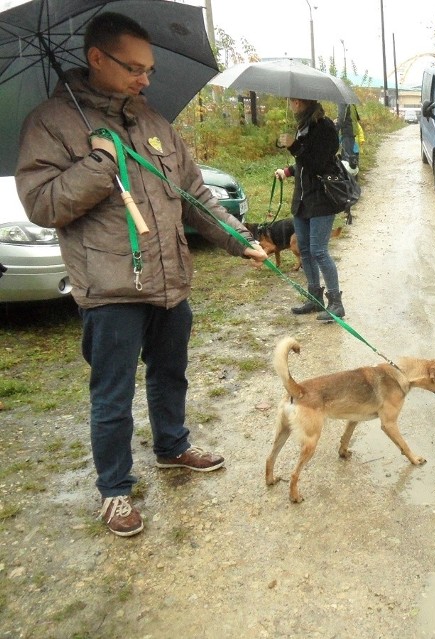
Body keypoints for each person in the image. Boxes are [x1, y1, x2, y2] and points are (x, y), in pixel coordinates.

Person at [15, 12, 268, 537]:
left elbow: (193, 194)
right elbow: (41, 204)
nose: (145, 79)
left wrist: (236, 237)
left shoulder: (153, 123)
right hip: (111, 289)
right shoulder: (52, 123)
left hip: (170, 278)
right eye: (134, 68)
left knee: (170, 373)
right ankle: (114, 490)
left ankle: (172, 447)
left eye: (150, 69)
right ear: (97, 59)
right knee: (112, 395)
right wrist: (97, 166)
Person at [275, 98, 346, 321]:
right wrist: (288, 170)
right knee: (304, 249)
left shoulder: (325, 128)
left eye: (293, 100)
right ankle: (315, 299)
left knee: (319, 251)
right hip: (303, 200)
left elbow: (319, 163)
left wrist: (294, 146)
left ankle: (336, 303)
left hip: (322, 199)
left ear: (300, 102)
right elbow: (303, 163)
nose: (290, 104)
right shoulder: (303, 127)